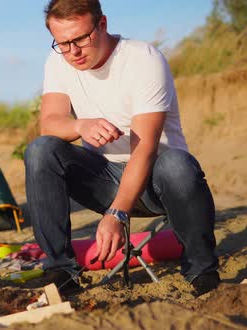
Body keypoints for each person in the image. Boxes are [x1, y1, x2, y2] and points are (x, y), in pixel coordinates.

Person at [25, 0, 220, 296]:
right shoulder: (59, 61)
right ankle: (61, 272)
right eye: (63, 43)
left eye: (80, 38)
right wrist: (80, 126)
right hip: (103, 179)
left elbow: (145, 149)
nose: (73, 51)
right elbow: (49, 124)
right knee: (41, 150)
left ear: (102, 24)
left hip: (158, 182)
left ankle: (202, 272)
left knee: (177, 164)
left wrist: (117, 214)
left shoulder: (143, 59)